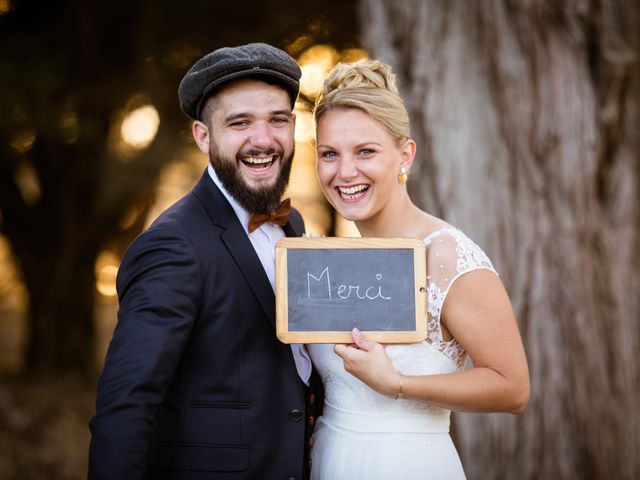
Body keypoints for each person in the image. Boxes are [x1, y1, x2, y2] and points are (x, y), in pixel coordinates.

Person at [88, 43, 320, 480]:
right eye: (240, 123)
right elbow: (126, 407)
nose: (263, 140)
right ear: (203, 136)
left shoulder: (293, 227)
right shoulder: (173, 247)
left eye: (278, 120)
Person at [307, 59, 530, 479]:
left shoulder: (446, 256)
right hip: (330, 460)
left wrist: (397, 385)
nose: (345, 171)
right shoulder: (328, 264)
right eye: (329, 154)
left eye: (366, 151)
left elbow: (512, 387)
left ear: (404, 154)